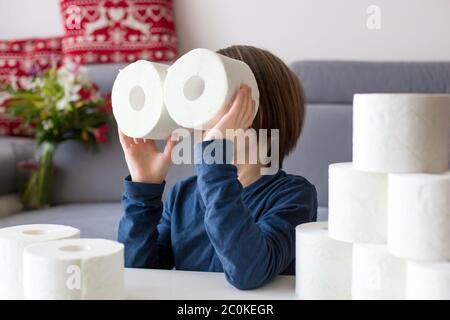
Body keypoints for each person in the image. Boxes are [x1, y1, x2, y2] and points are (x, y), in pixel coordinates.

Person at [118, 45, 317, 290]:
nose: (207, 120)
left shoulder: (294, 196)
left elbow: (248, 272)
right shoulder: (183, 195)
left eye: (219, 105)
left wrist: (215, 160)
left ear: (259, 112)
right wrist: (143, 189)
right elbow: (138, 273)